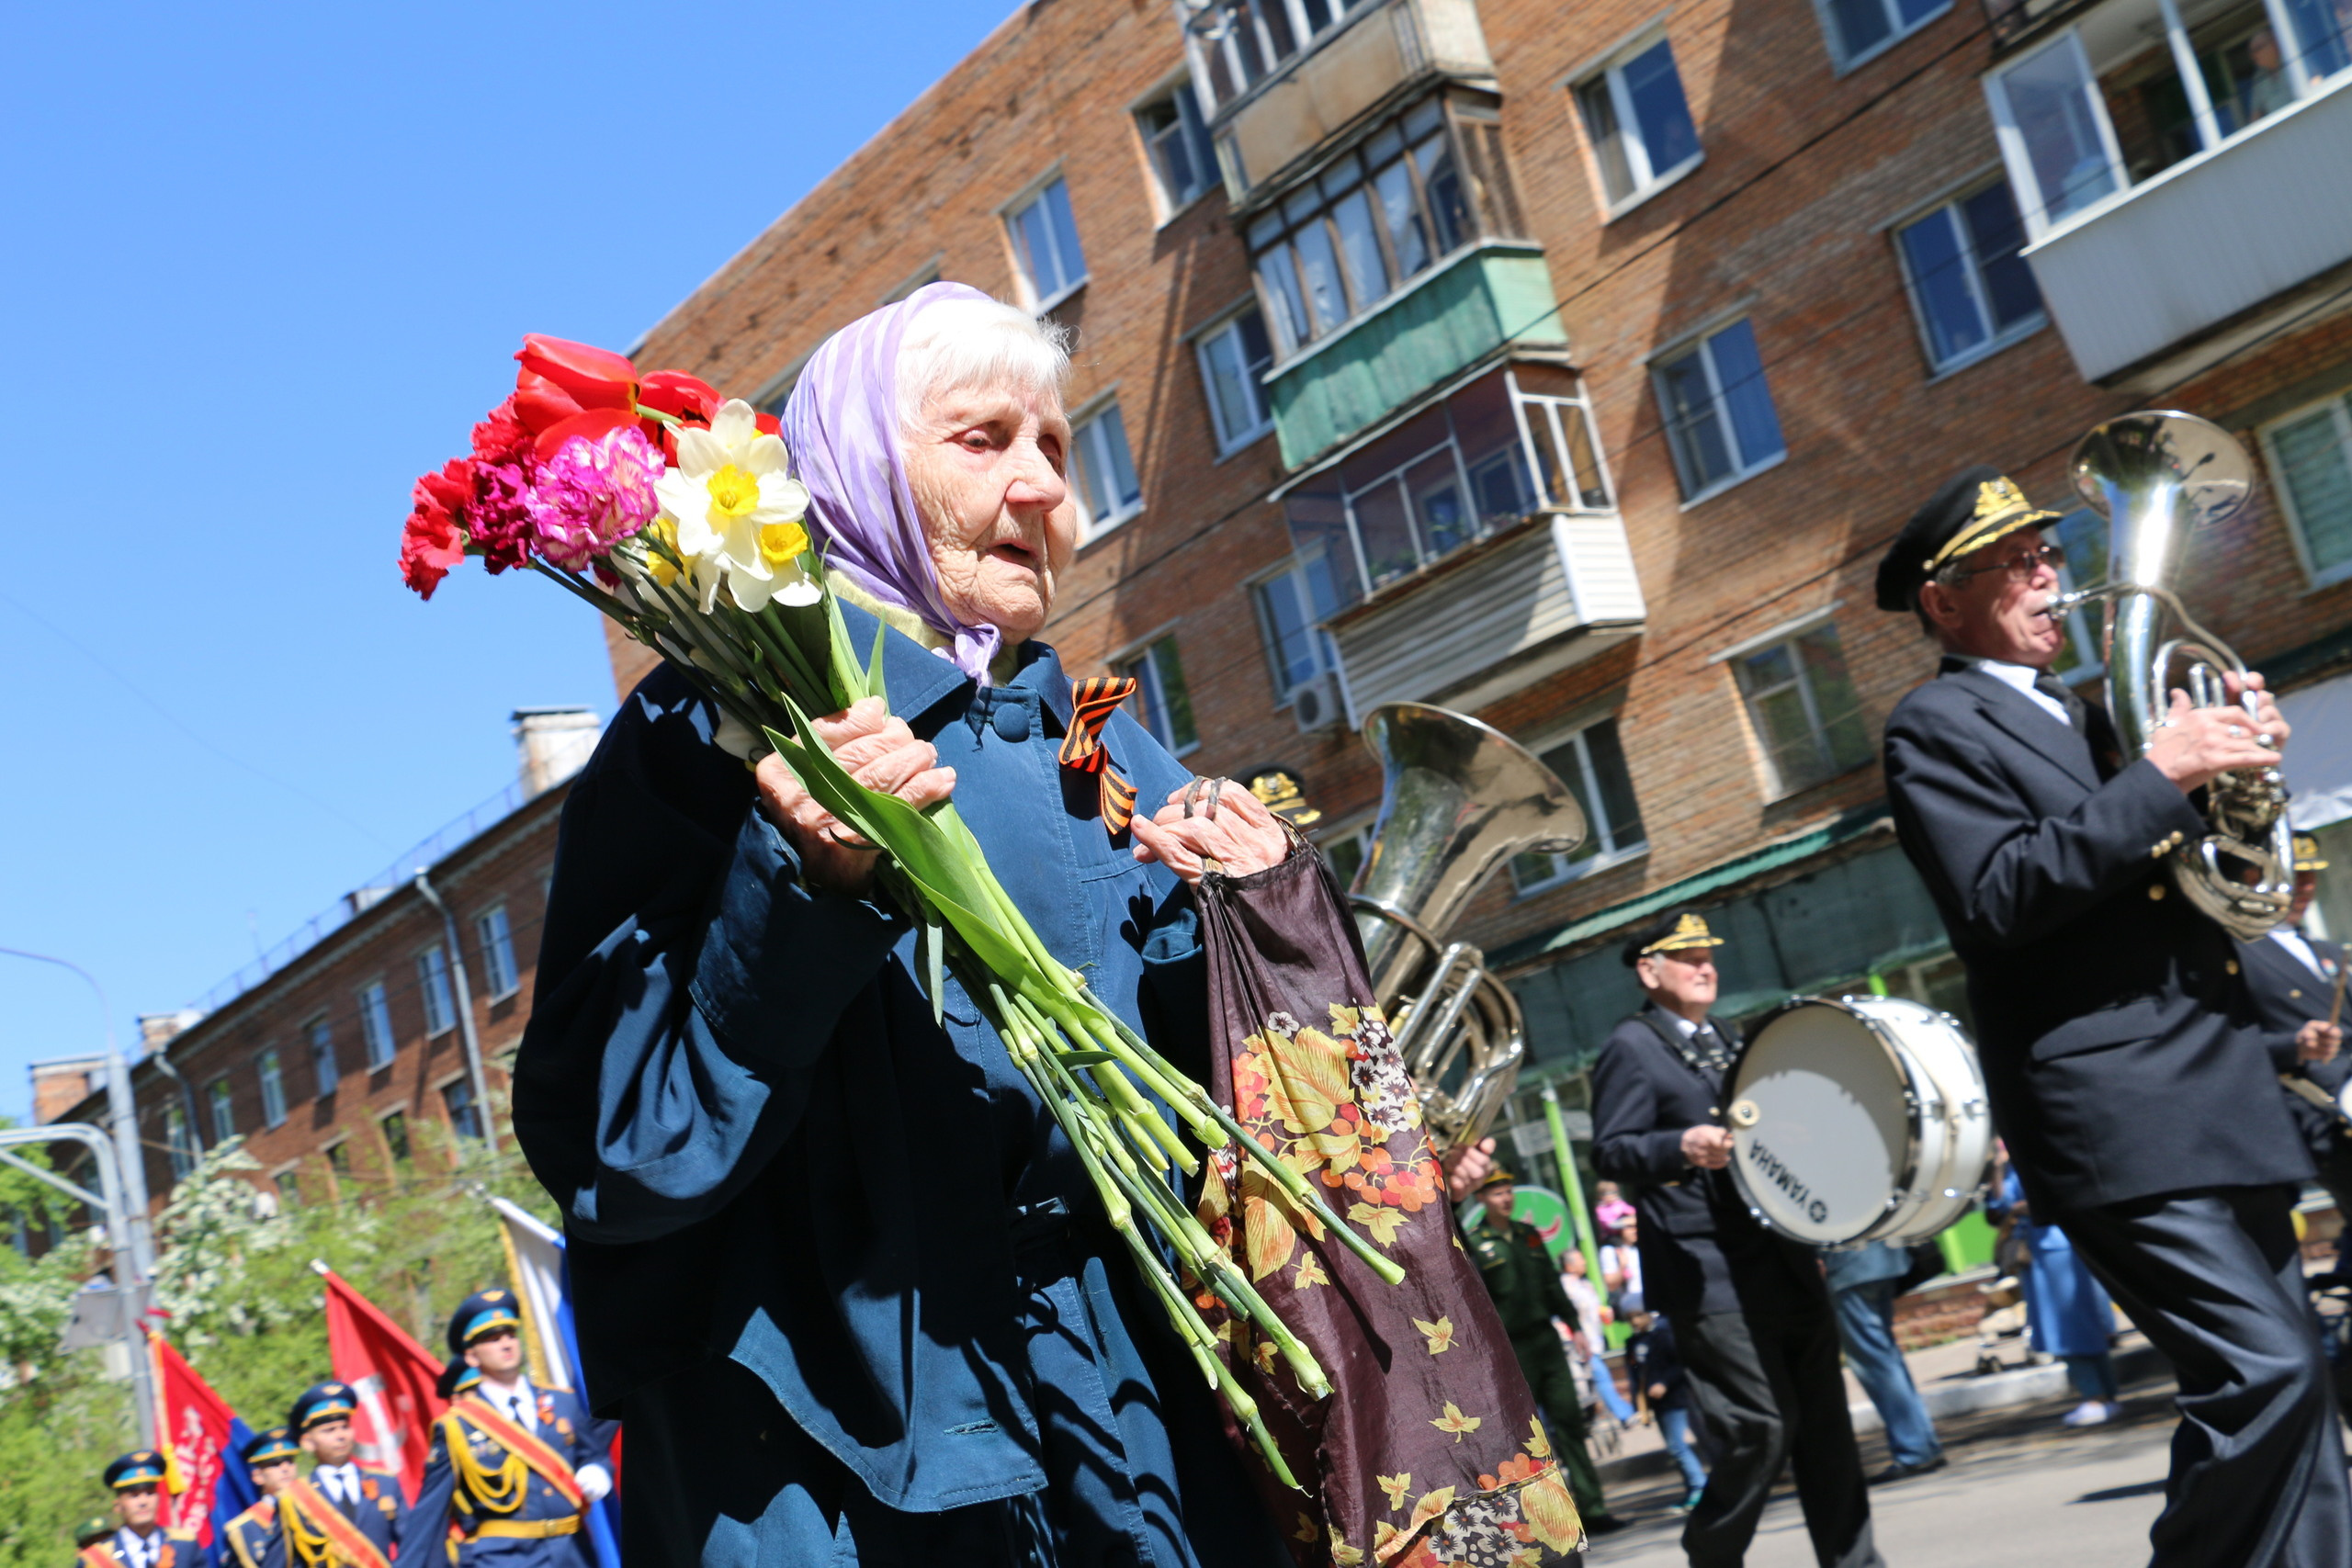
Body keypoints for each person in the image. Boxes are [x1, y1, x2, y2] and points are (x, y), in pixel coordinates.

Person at [510, 284, 1296, 1564]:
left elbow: (1198, 1090)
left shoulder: (1095, 734)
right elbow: (615, 1145)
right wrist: (802, 892)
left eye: (1057, 445)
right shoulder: (709, 729)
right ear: (858, 470)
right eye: (985, 440)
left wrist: (1268, 933)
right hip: (840, 1465)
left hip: (1141, 1423)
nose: (1044, 488)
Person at [1877, 465, 2349, 1563]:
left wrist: (2242, 778)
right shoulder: (1933, 725)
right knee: (2263, 1374)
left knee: (2289, 1381)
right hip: (2117, 1110)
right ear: (1944, 603)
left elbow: (2217, 890)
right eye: (2017, 564)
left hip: (2220, 1088)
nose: (2050, 576)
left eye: (2050, 554)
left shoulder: (2093, 716)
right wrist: (2159, 773)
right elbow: (1998, 899)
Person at [1590, 908, 1882, 1568]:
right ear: (1649, 968)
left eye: (1709, 954)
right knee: (1758, 1428)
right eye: (1688, 955)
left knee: (1828, 1436)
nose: (1705, 965)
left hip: (1783, 1256)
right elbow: (1610, 1151)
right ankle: (1712, 1552)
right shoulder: (1630, 1047)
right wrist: (1679, 1144)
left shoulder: (1728, 1035)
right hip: (1708, 1269)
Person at [1466, 1168, 1628, 1537]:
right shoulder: (1478, 1242)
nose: (1505, 1199)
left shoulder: (1529, 1236)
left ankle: (1593, 1508)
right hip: (1512, 1349)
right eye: (1496, 1194)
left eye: (1508, 1192)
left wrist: (1573, 1325)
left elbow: (1553, 1286)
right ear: (1481, 1200)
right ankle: (1545, 1522)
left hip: (1547, 1343)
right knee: (1527, 1436)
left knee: (1570, 1422)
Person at [407, 1289, 615, 1565]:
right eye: (492, 1339)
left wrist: (597, 1470)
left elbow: (593, 1453)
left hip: (574, 1552)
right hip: (505, 1558)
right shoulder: (458, 1427)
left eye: (510, 1334)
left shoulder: (561, 1401)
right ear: (471, 1356)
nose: (506, 1344)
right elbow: (428, 1515)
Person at [2239, 833, 2352, 1212]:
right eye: (2295, 875)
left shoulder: (2330, 953)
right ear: (2257, 876)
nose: (2306, 887)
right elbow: (2224, 1044)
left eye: (2312, 875)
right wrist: (2294, 1046)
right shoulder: (2238, 952)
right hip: (2317, 1114)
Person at [1984, 1154, 2123, 1426]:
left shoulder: (2042, 1153)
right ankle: (2101, 1395)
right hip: (2037, 1251)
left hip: (2059, 1247)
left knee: (2070, 1324)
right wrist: (1997, 1168)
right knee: (2064, 1324)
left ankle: (2096, 1397)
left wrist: (2024, 1207)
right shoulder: (2013, 1163)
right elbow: (1999, 1205)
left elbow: (2060, 1194)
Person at [1820, 1242, 1946, 1482]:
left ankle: (1914, 1451)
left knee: (1877, 1365)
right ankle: (1924, 1445)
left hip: (1848, 1269)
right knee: (1887, 1358)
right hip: (1882, 1260)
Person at [284, 1380, 408, 1566]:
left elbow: (411, 1545)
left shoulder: (386, 1483)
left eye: (345, 1427)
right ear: (308, 1442)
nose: (341, 1435)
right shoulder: (296, 1498)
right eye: (329, 1430)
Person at [1627, 1303, 1710, 1514]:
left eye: (1638, 1315)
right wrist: (1639, 1405)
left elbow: (1680, 1364)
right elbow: (1636, 1376)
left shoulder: (1663, 1335)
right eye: (1630, 1318)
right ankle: (1692, 1488)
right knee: (1674, 1447)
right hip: (1655, 1403)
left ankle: (1700, 1487)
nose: (1635, 1321)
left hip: (1675, 1398)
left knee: (1677, 1446)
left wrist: (1664, 1382)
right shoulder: (1634, 1342)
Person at [1559, 1248, 1636, 1426]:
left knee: (1597, 1379)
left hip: (1593, 1340)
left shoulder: (1585, 1284)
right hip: (1578, 1343)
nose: (1584, 1262)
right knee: (1601, 1376)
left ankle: (1607, 1416)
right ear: (1569, 1266)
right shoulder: (1565, 1286)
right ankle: (1624, 1414)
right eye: (1580, 1259)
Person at [86, 1451, 197, 1568]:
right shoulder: (97, 1559)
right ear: (117, 1505)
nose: (143, 1502)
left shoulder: (184, 1546)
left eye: (150, 1493)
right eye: (134, 1495)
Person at [220, 1427, 301, 1568]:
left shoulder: (315, 1509)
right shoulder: (243, 1529)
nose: (285, 1468)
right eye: (275, 1464)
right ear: (257, 1476)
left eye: (290, 1461)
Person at [1600, 1217, 1645, 1311]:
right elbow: (1611, 1285)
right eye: (1630, 1227)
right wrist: (1622, 1266)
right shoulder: (1610, 1251)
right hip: (1630, 1305)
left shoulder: (1637, 1249)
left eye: (1637, 1226)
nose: (1635, 1230)